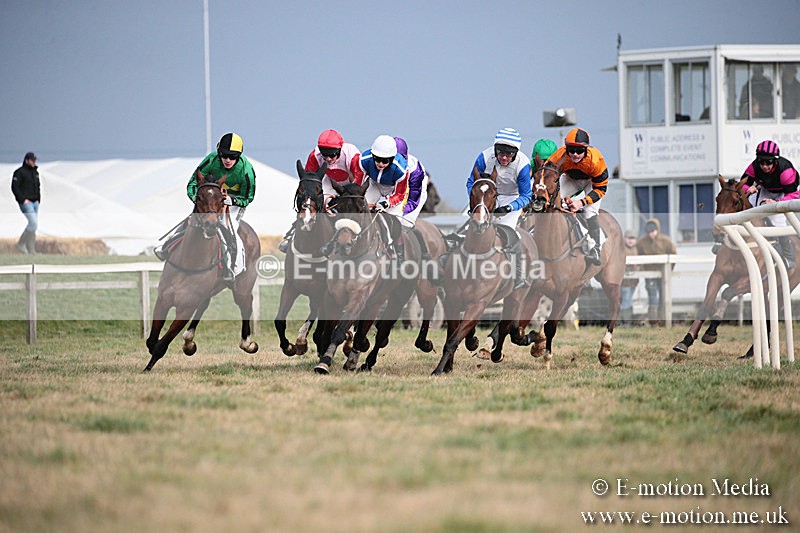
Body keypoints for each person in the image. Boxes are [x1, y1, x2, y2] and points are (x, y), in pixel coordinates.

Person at [155, 133, 256, 282]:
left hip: (232, 203)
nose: (228, 160)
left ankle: (231, 267)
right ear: (219, 152)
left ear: (239, 156)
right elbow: (192, 185)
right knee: (192, 220)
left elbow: (248, 198)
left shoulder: (247, 170)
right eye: (224, 155)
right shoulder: (211, 160)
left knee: (229, 227)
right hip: (209, 201)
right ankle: (167, 247)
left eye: (232, 157)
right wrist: (199, 200)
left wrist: (231, 200)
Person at [466, 127, 532, 289]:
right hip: (486, 196)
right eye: (500, 153)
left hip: (512, 197)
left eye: (508, 155)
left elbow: (526, 196)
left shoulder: (523, 165)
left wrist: (509, 208)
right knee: (469, 226)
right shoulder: (484, 157)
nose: (503, 157)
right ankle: (451, 260)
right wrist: (476, 199)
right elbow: (470, 182)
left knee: (508, 231)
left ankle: (518, 274)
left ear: (515, 153)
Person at [278, 129, 362, 253]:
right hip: (329, 181)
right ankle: (292, 234)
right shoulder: (314, 156)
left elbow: (359, 177)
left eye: (332, 155)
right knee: (314, 204)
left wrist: (345, 198)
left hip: (351, 184)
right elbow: (308, 183)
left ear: (339, 150)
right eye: (324, 155)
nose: (328, 159)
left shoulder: (351, 154)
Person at [545, 127, 609, 266]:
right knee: (551, 202)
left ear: (586, 149)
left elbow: (601, 189)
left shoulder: (596, 160)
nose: (574, 154)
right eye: (571, 150)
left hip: (592, 183)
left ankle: (596, 248)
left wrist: (581, 202)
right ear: (566, 148)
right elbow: (547, 174)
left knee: (589, 211)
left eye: (579, 151)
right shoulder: (559, 156)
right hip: (570, 179)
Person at [738, 140, 799, 269]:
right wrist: (747, 190)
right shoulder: (753, 167)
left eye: (768, 162)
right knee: (748, 212)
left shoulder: (785, 169)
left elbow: (794, 195)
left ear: (775, 161)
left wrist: (776, 203)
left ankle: (789, 257)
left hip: (784, 193)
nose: (764, 166)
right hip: (765, 190)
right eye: (761, 162)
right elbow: (742, 185)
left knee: (778, 221)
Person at [359, 134, 410, 258]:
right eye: (377, 159)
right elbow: (358, 183)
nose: (380, 164)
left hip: (393, 190)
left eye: (385, 161)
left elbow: (400, 194)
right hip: (374, 184)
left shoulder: (401, 170)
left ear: (392, 159)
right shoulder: (364, 160)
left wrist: (386, 203)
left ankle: (399, 254)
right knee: (360, 209)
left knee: (395, 221)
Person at [636, 218, 676, 326]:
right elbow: (637, 256)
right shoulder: (641, 242)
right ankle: (654, 322)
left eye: (653, 231)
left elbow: (673, 255)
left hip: (664, 275)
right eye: (649, 232)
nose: (651, 234)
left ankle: (664, 321)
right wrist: (642, 270)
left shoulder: (666, 241)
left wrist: (669, 270)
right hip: (649, 275)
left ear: (657, 230)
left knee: (664, 297)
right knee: (653, 297)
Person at [11, 152, 41, 254]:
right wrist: (22, 200)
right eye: (32, 160)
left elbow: (38, 187)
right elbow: (15, 187)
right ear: (27, 160)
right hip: (26, 203)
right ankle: (21, 243)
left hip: (35, 202)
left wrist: (38, 199)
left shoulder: (35, 173)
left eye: (35, 160)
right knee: (33, 223)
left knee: (34, 226)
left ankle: (31, 249)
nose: (34, 162)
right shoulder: (19, 172)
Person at [394, 136, 428, 226]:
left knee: (405, 222)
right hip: (395, 189)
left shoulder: (414, 169)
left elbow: (413, 200)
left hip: (414, 189)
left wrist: (400, 213)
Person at [620, 229, 641, 326]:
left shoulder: (637, 249)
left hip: (633, 281)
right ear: (625, 239)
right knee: (626, 301)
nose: (631, 241)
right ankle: (624, 323)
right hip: (624, 281)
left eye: (633, 238)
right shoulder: (621, 248)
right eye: (629, 238)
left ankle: (625, 322)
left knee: (628, 300)